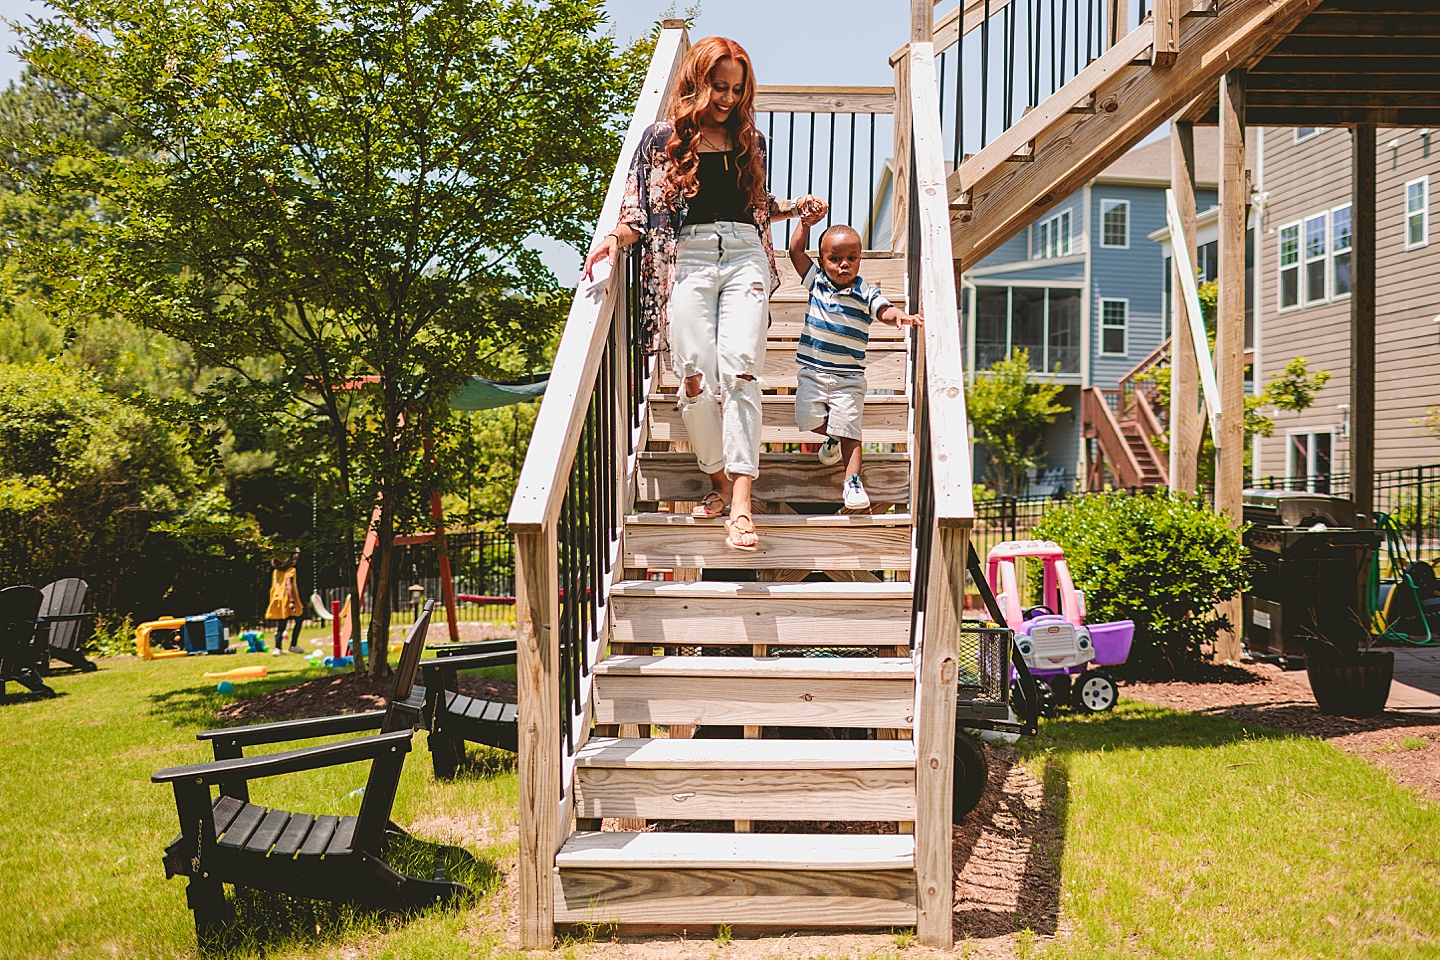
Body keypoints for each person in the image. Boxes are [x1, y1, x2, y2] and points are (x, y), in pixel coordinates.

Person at [584, 35, 827, 552]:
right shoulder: (661, 138)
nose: (727, 99)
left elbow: (753, 205)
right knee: (694, 374)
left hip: (744, 257)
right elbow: (639, 211)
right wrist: (610, 240)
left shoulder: (749, 141)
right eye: (719, 87)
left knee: (740, 369)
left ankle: (740, 503)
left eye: (736, 90)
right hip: (688, 259)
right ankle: (717, 479)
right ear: (697, 82)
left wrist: (793, 208)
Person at [788, 219, 921, 510]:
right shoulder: (816, 282)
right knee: (806, 420)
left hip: (849, 378)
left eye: (851, 258)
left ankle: (852, 483)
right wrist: (805, 224)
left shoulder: (866, 293)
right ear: (822, 261)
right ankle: (832, 436)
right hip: (813, 373)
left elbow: (882, 310)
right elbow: (796, 251)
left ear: (860, 259)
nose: (844, 265)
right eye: (834, 259)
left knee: (851, 430)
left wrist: (896, 315)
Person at [265, 549, 304, 654]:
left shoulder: (276, 571)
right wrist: (292, 601)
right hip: (288, 598)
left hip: (277, 598)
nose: (295, 561)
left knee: (281, 624)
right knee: (299, 619)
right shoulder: (291, 570)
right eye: (294, 558)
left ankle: (277, 648)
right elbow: (288, 585)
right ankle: (293, 645)